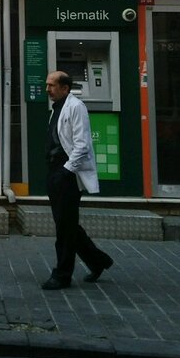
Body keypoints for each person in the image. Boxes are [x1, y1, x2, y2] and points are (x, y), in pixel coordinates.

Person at [41, 71, 113, 290]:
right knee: (66, 223)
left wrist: (66, 170)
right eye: (47, 85)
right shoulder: (57, 108)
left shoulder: (76, 107)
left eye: (52, 85)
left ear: (65, 88)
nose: (47, 89)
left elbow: (82, 145)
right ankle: (98, 260)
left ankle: (62, 274)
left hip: (67, 175)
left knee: (65, 227)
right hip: (55, 171)